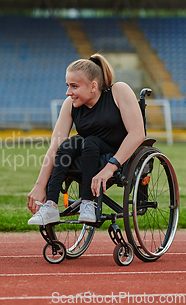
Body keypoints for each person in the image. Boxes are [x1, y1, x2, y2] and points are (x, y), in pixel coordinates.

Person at [27, 53, 145, 225]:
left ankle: (87, 203)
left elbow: (137, 134)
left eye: (74, 86)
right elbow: (54, 148)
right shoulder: (70, 104)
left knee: (89, 141)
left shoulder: (119, 91)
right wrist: (39, 185)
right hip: (90, 153)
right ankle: (51, 205)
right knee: (69, 144)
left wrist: (109, 168)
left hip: (118, 155)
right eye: (67, 85)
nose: (68, 92)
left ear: (93, 86)